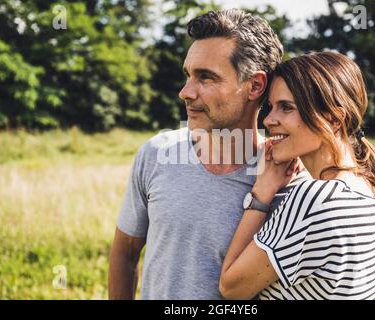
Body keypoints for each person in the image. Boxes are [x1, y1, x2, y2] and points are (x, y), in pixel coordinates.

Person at [108, 9, 305, 300]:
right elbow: (125, 253)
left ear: (255, 85)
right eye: (188, 75)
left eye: (206, 77)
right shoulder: (156, 153)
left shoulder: (288, 179)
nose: (186, 92)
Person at [219, 51, 375, 300]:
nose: (269, 120)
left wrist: (262, 193)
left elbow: (231, 289)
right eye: (270, 107)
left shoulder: (314, 199)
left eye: (286, 107)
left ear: (333, 118)